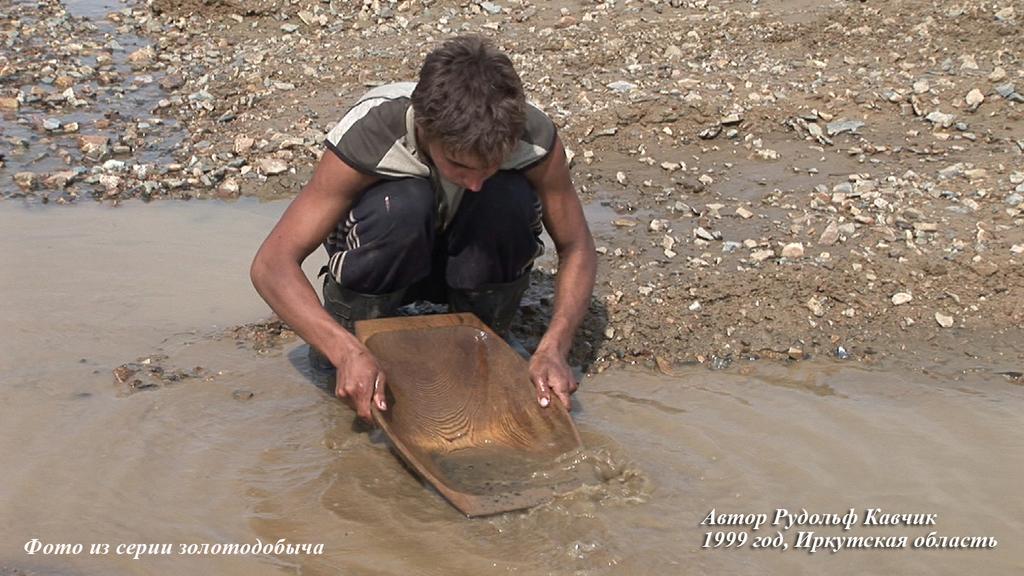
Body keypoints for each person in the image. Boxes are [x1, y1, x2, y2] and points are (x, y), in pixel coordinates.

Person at [250, 35, 596, 423]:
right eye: (460, 165)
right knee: (400, 206)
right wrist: (343, 350)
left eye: (491, 165)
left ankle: (486, 336)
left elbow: (576, 245)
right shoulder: (372, 134)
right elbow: (272, 264)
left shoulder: (532, 136)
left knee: (505, 200)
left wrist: (555, 347)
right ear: (426, 130)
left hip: (470, 260)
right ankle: (357, 343)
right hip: (390, 251)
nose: (476, 181)